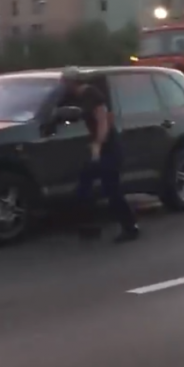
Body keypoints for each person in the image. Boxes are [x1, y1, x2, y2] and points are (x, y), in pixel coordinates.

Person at [60, 67, 140, 243]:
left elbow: (103, 122)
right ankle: (90, 227)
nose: (63, 84)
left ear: (72, 82)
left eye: (64, 81)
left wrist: (98, 144)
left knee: (112, 189)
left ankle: (130, 227)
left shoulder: (92, 95)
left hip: (109, 147)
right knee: (84, 185)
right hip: (100, 146)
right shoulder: (78, 96)